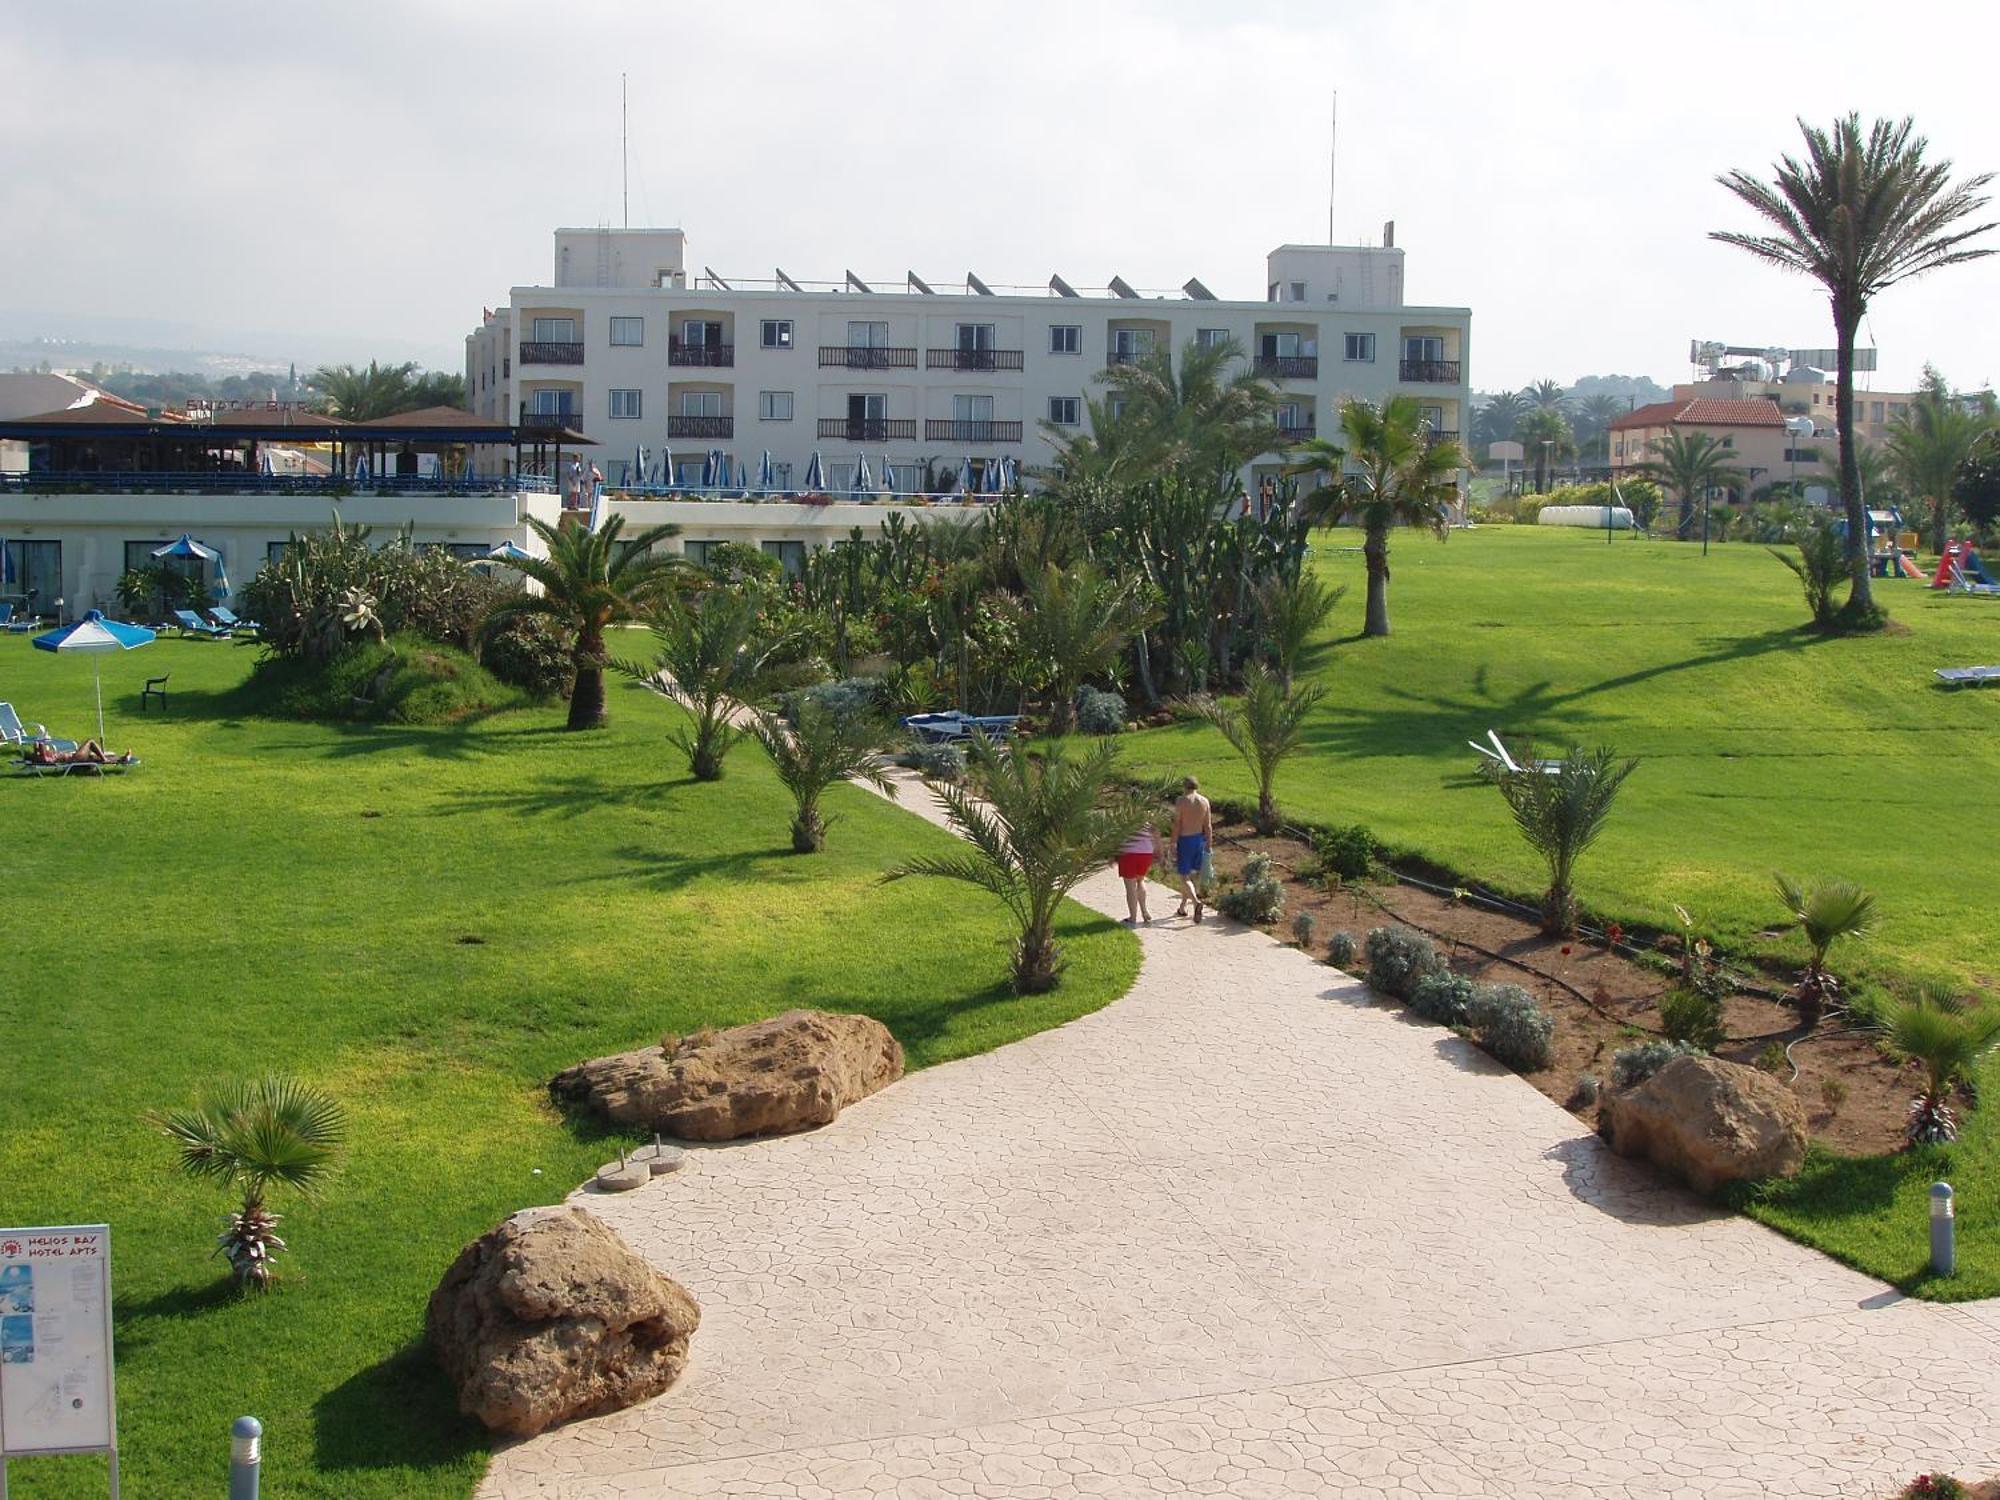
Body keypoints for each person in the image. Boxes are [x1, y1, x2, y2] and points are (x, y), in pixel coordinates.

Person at [1172, 776, 1213, 922]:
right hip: (1199, 840)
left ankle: (1195, 903)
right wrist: (1209, 843)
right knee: (1191, 876)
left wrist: (1173, 843)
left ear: (1184, 786)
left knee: (1184, 876)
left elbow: (1177, 824)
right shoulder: (1204, 801)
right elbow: (1208, 826)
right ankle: (1183, 907)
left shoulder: (1181, 801)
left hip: (1185, 840)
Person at [1115, 817, 1161, 926]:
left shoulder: (1126, 814)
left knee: (1130, 886)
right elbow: (1156, 834)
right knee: (1140, 881)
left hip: (1129, 852)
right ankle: (1144, 911)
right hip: (1146, 853)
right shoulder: (1149, 816)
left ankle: (1133, 917)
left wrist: (1114, 854)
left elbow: (1118, 836)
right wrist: (1159, 851)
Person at [25, 739, 132, 767]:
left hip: (74, 757)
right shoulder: (43, 759)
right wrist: (39, 745)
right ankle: (105, 759)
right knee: (90, 742)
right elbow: (42, 752)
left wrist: (37, 747)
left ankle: (122, 759)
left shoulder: (40, 757)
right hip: (74, 759)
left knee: (93, 757)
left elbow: (40, 749)